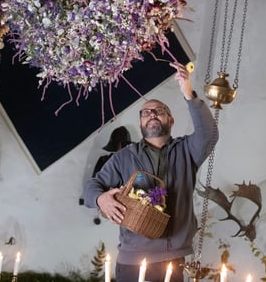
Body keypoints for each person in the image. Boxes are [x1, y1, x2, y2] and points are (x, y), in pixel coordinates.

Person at [83, 62, 218, 282]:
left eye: (159, 111)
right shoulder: (124, 157)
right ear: (141, 122)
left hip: (173, 259)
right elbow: (91, 186)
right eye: (146, 112)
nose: (152, 114)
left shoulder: (187, 151)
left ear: (171, 121)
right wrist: (100, 200)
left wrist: (188, 93)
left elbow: (209, 134)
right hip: (132, 260)